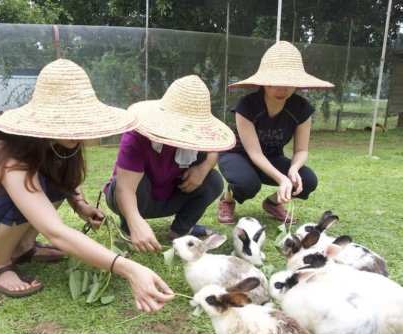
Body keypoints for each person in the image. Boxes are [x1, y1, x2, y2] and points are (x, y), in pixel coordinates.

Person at [0, 59, 174, 312]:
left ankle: (23, 248)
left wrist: (79, 204)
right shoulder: (7, 154)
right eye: (69, 121)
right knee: (24, 189)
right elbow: (55, 231)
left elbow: (63, 182)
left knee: (48, 181)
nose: (78, 131)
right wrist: (129, 269)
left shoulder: (47, 143)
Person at [104, 75, 235, 253]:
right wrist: (135, 221)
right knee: (135, 183)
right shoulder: (136, 136)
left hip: (171, 196)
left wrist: (202, 169)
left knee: (213, 180)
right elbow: (124, 188)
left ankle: (179, 232)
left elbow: (213, 151)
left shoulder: (196, 137)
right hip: (135, 198)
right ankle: (129, 227)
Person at [217, 41, 334, 225]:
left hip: (272, 157)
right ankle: (227, 199)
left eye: (288, 83)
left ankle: (272, 203)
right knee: (248, 185)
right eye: (275, 82)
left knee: (307, 180)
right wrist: (281, 178)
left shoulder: (302, 109)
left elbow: (301, 151)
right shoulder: (246, 106)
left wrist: (293, 170)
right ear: (263, 82)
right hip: (238, 155)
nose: (282, 89)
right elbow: (254, 153)